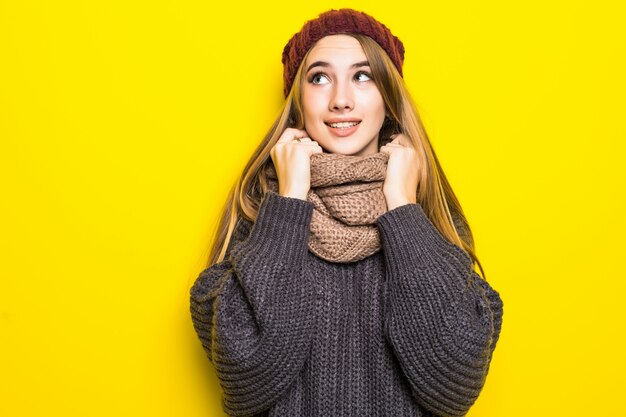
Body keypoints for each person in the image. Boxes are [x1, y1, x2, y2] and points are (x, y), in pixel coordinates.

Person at [190, 8, 503, 417]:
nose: (340, 100)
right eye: (319, 78)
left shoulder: (429, 216)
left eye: (363, 76)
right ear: (298, 103)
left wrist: (403, 209)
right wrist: (289, 204)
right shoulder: (257, 214)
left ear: (389, 99)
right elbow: (248, 377)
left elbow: (452, 385)